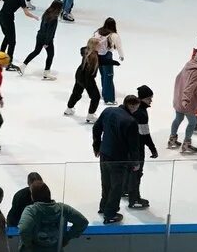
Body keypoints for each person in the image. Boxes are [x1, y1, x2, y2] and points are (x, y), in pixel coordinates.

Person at [93, 94, 141, 224]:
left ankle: (103, 207)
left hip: (104, 153)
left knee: (106, 182)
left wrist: (97, 146)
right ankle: (110, 214)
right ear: (132, 106)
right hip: (119, 159)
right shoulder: (131, 122)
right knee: (117, 187)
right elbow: (133, 146)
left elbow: (96, 128)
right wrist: (135, 162)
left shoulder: (108, 111)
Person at [169, 49, 197, 155]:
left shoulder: (188, 65)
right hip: (187, 103)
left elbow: (178, 78)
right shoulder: (195, 72)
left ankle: (172, 140)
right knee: (193, 122)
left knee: (178, 118)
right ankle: (186, 145)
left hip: (179, 98)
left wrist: (180, 96)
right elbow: (190, 87)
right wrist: (185, 99)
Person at [126, 85, 158, 210]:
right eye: (149, 98)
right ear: (143, 98)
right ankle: (134, 199)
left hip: (127, 146)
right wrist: (153, 149)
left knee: (129, 170)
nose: (151, 101)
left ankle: (126, 191)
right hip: (137, 148)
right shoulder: (142, 114)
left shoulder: (133, 109)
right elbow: (145, 135)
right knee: (136, 172)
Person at [21, 0, 61, 80]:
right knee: (50, 55)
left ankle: (23, 65)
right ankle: (46, 72)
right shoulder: (54, 18)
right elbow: (50, 32)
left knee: (36, 51)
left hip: (39, 35)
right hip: (46, 39)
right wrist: (46, 42)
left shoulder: (46, 13)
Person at [64, 38, 102, 123]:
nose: (100, 46)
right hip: (87, 79)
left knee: (76, 93)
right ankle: (90, 116)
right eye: (99, 45)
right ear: (94, 46)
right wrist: (87, 84)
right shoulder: (93, 57)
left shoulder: (86, 51)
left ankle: (69, 109)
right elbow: (89, 73)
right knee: (96, 97)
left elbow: (83, 48)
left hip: (79, 76)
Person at [94, 17, 124, 105]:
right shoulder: (113, 35)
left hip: (96, 55)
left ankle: (104, 93)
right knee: (109, 76)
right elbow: (119, 46)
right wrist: (121, 56)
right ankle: (109, 98)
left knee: (103, 75)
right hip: (106, 56)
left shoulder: (98, 31)